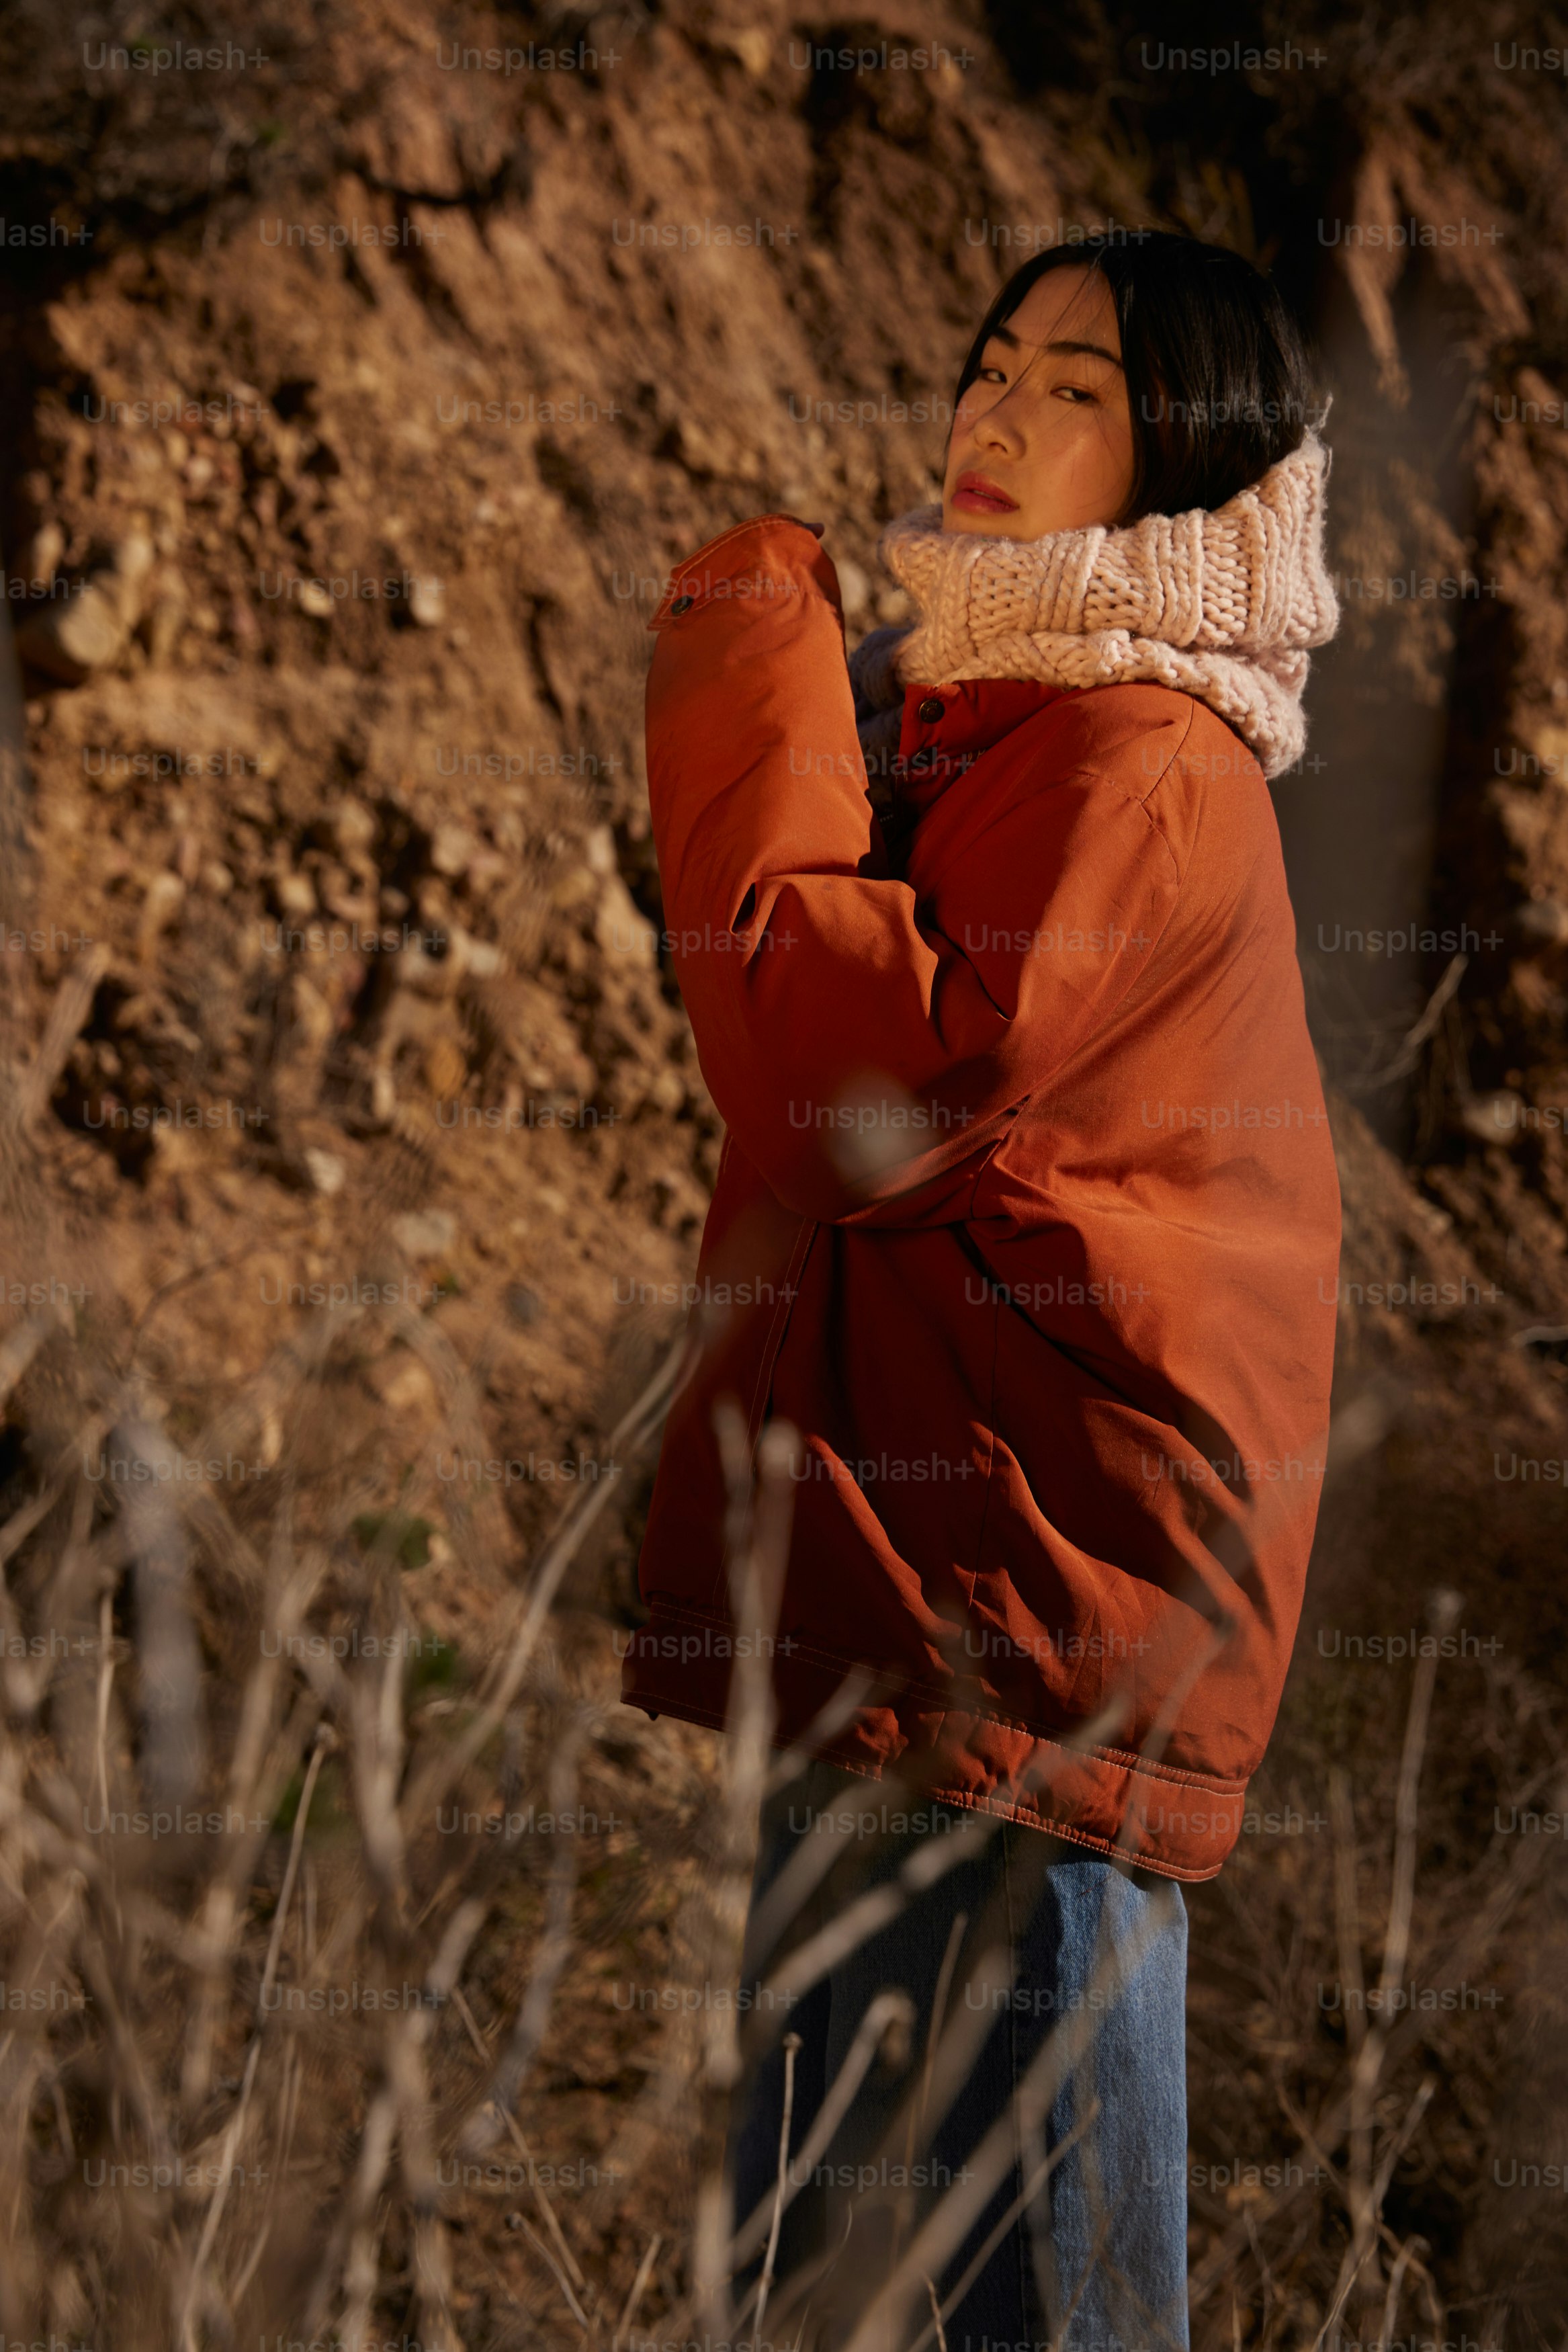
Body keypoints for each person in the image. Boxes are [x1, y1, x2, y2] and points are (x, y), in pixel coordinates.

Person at [619, 230, 1342, 2350]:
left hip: (1027, 1668)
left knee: (1033, 2317)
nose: (997, 412)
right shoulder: (995, 736)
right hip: (933, 1657)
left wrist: (749, 643)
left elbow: (854, 1085)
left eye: (1077, 385)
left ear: (1182, 460)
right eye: (991, 360)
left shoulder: (1142, 765)